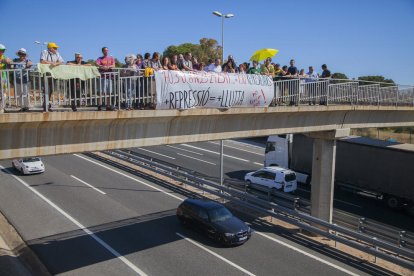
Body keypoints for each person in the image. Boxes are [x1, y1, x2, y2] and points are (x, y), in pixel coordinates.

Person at [40, 42, 64, 110]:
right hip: (46, 74)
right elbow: (42, 61)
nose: (56, 49)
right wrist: (51, 63)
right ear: (50, 48)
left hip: (53, 74)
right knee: (46, 89)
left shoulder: (57, 53)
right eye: (55, 48)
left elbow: (62, 62)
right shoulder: (44, 52)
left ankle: (47, 104)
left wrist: (56, 63)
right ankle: (46, 105)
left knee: (51, 90)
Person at [96, 46, 116, 111]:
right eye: (105, 50)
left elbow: (113, 65)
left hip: (109, 77)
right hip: (102, 77)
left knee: (109, 92)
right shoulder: (100, 58)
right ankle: (99, 105)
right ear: (102, 51)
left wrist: (108, 67)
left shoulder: (111, 58)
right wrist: (103, 67)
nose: (106, 51)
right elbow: (97, 64)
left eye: (107, 50)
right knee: (101, 91)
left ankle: (108, 105)